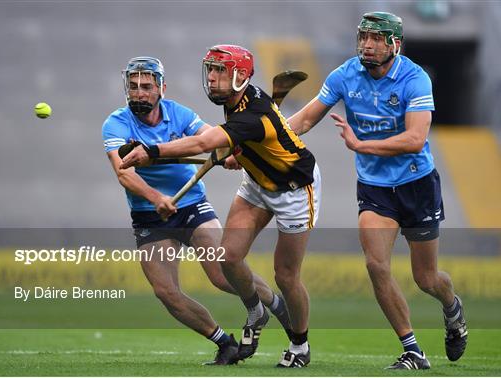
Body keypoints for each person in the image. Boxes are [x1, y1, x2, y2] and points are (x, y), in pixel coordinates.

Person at [120, 45, 321, 368]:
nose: (211, 79)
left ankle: (300, 345)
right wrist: (237, 153)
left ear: (241, 76)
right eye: (210, 70)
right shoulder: (235, 101)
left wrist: (152, 152)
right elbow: (231, 142)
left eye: (220, 72)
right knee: (227, 257)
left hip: (294, 190)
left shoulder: (253, 114)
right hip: (257, 183)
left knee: (285, 275)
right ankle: (256, 309)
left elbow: (203, 142)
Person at [287, 12, 468, 370]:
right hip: (375, 189)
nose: (366, 46)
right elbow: (305, 119)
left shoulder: (415, 79)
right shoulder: (345, 74)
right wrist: (263, 138)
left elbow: (416, 140)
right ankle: (412, 349)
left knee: (427, 279)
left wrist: (362, 145)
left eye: (376, 39)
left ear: (394, 44)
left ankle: (452, 308)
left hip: (417, 185)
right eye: (363, 37)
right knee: (375, 264)